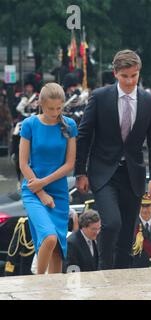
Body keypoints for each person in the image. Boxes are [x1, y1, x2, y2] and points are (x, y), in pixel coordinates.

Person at [75, 49, 151, 270]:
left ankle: (122, 283)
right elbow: (84, 135)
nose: (130, 81)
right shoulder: (100, 96)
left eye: (134, 76)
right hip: (103, 172)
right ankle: (103, 269)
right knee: (112, 223)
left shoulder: (149, 101)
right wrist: (80, 171)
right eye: (125, 76)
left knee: (126, 236)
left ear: (138, 73)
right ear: (115, 73)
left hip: (133, 175)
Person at [19, 83, 78, 274]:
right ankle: (38, 283)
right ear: (41, 104)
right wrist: (41, 191)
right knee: (49, 238)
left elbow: (69, 164)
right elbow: (23, 164)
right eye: (51, 108)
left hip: (59, 193)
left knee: (58, 252)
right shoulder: (29, 124)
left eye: (59, 108)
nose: (55, 112)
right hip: (33, 190)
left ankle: (53, 293)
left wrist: (44, 183)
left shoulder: (69, 125)